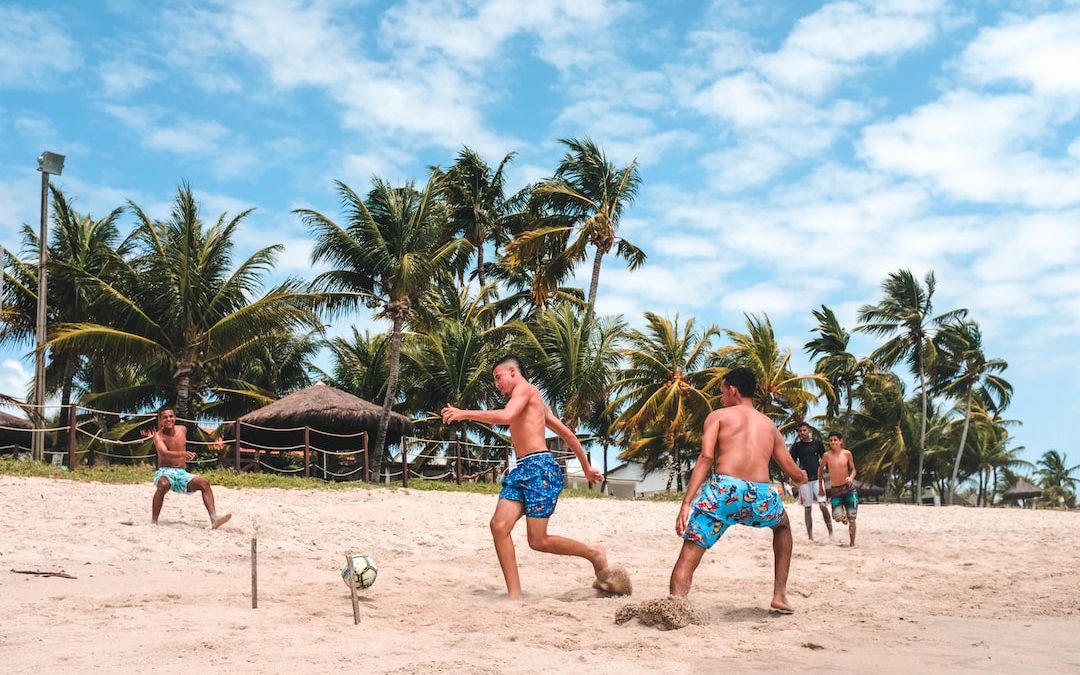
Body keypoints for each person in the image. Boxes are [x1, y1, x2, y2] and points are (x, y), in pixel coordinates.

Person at [441, 355, 613, 600]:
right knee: (499, 526)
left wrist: (464, 413)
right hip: (521, 469)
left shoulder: (526, 390)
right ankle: (514, 595)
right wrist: (585, 468)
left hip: (540, 469)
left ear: (513, 371)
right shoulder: (531, 401)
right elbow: (568, 435)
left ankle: (594, 553)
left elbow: (507, 416)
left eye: (498, 378)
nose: (497, 384)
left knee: (538, 540)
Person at [670, 367, 808, 613]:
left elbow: (706, 457)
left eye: (722, 392)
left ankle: (676, 607)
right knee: (783, 526)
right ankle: (779, 595)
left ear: (732, 390)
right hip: (761, 495)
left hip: (725, 490)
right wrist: (802, 477)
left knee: (690, 551)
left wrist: (686, 502)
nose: (722, 398)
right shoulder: (770, 426)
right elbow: (793, 473)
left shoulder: (718, 417)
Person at [143, 407, 232, 529]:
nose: (169, 419)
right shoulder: (158, 436)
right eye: (165, 417)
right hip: (165, 471)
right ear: (160, 420)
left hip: (181, 473)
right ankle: (154, 521)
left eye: (171, 416)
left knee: (204, 483)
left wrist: (187, 456)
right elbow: (163, 453)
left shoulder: (183, 429)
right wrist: (182, 454)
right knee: (163, 484)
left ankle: (214, 518)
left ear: (175, 417)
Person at [789, 421, 833, 541]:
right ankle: (810, 536)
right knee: (807, 508)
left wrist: (831, 472)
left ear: (809, 431)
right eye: (800, 431)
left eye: (804, 430)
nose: (802, 433)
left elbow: (825, 459)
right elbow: (791, 463)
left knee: (822, 505)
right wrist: (793, 478)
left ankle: (830, 532)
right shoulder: (796, 447)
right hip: (804, 481)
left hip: (817, 479)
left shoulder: (817, 444)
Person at [818, 431, 857, 546]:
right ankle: (843, 518)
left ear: (840, 441)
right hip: (835, 490)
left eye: (835, 440)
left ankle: (852, 544)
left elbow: (854, 470)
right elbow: (820, 472)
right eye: (830, 440)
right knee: (837, 517)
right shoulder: (826, 456)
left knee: (852, 519)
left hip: (849, 489)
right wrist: (821, 487)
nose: (833, 442)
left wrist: (851, 477)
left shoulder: (847, 454)